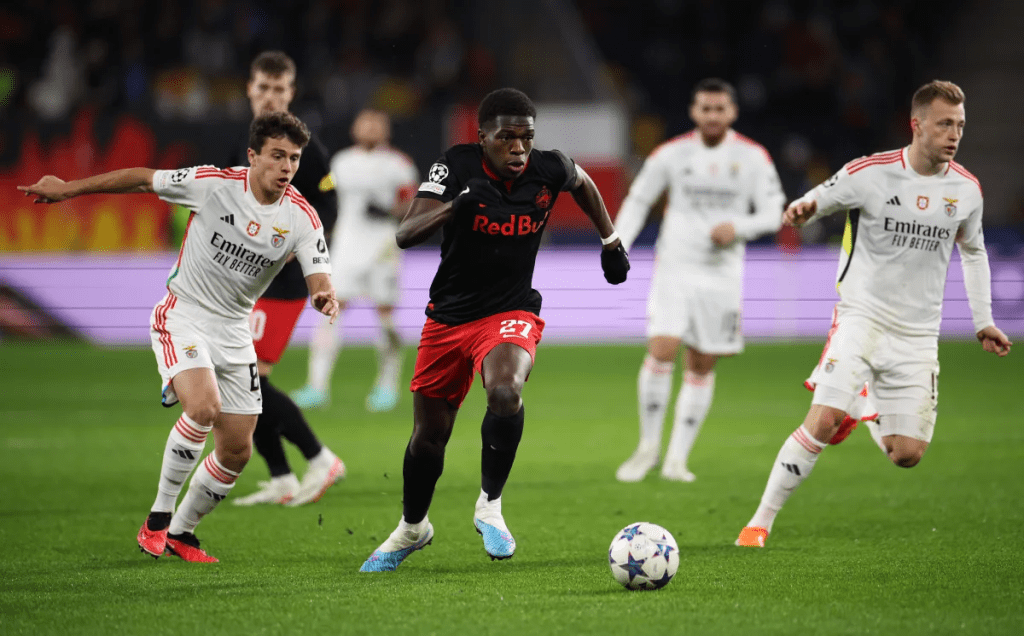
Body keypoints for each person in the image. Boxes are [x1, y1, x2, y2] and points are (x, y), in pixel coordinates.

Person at [18, 111, 341, 562]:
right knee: (204, 407)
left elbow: (319, 275)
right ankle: (157, 519)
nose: (287, 167)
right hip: (184, 314)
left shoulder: (302, 217)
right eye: (277, 156)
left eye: (294, 158)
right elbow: (141, 180)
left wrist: (324, 296)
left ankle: (182, 533)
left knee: (237, 451)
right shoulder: (214, 184)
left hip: (234, 330)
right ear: (253, 156)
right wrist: (69, 189)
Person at [359, 88, 630, 572]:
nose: (519, 148)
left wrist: (610, 240)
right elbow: (405, 234)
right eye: (507, 137)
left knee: (505, 391)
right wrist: (457, 205)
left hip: (510, 310)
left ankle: (490, 505)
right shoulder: (455, 166)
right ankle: (412, 527)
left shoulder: (549, 167)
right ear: (482, 137)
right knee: (428, 438)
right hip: (448, 317)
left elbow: (584, 182)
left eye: (527, 137)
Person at [736, 80, 1012, 548]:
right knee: (823, 420)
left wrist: (983, 319)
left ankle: (862, 401)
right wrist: (803, 210)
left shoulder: (966, 190)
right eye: (944, 124)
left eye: (960, 125)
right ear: (916, 124)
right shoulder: (871, 172)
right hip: (861, 318)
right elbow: (818, 199)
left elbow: (974, 252)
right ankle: (758, 524)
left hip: (918, 334)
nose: (954, 134)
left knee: (906, 454)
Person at [612, 78, 786, 483]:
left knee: (703, 361)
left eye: (719, 109)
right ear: (694, 112)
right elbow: (638, 200)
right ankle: (647, 448)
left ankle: (677, 460)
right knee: (662, 348)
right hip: (675, 265)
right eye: (705, 108)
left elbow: (774, 211)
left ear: (732, 112)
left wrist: (738, 227)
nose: (712, 116)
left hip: (721, 273)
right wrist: (617, 245)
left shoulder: (753, 157)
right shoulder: (672, 153)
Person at [228, 51, 346, 508]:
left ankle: (319, 458)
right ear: (250, 89)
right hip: (245, 280)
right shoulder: (244, 144)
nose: (271, 96)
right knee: (242, 382)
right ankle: (281, 476)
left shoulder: (305, 148)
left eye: (279, 89)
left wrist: (297, 242)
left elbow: (330, 207)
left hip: (284, 283)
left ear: (291, 93)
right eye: (264, 87)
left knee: (248, 378)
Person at [291, 108, 419, 413]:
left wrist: (390, 212)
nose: (370, 129)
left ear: (386, 130)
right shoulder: (342, 162)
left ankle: (387, 385)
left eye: (376, 124)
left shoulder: (399, 165)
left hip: (383, 248)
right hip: (347, 246)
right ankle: (316, 386)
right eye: (365, 124)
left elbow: (412, 204)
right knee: (330, 310)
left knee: (385, 316)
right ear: (355, 129)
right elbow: (327, 196)